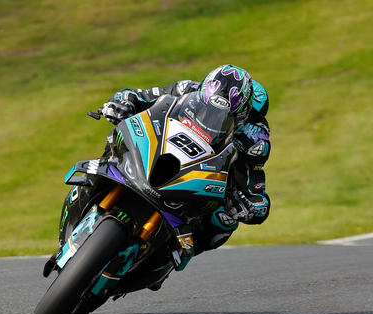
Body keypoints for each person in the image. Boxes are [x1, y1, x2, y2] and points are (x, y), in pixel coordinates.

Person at [100, 64, 271, 254]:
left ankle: (172, 254)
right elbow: (139, 95)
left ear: (242, 116)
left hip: (203, 178)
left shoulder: (253, 139)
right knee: (117, 143)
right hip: (161, 151)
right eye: (207, 110)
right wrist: (122, 102)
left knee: (225, 221)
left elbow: (259, 198)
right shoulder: (186, 89)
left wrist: (248, 206)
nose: (213, 120)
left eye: (223, 117)